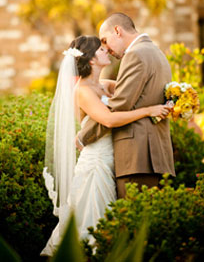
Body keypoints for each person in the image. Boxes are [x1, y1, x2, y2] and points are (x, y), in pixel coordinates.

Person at [41, 35, 170, 256]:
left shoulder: (104, 85)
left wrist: (172, 95)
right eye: (102, 50)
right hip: (96, 163)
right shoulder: (82, 91)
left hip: (114, 159)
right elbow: (109, 120)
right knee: (94, 221)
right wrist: (149, 111)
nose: (107, 51)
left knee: (110, 223)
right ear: (91, 60)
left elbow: (136, 89)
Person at [76, 13, 175, 199]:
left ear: (117, 31)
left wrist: (83, 137)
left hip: (137, 156)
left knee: (131, 222)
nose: (107, 50)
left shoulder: (135, 55)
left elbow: (118, 107)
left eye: (105, 41)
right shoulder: (157, 53)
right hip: (156, 154)